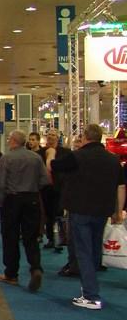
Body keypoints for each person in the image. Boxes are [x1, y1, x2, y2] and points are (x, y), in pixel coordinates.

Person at [51, 124, 125, 310]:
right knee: (94, 251)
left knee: (83, 251)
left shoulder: (77, 156)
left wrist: (51, 154)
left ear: (85, 137)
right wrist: (117, 211)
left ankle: (91, 295)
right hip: (102, 211)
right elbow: (120, 186)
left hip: (80, 210)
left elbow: (54, 167)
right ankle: (91, 289)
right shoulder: (113, 159)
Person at [0, 129, 50, 292]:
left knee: (10, 237)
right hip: (32, 199)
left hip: (12, 200)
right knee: (31, 237)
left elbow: (1, 183)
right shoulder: (36, 158)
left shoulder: (7, 158)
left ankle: (11, 274)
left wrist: (1, 202)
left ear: (13, 141)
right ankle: (36, 268)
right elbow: (45, 180)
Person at [42, 129, 70, 249]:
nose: (50, 137)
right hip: (45, 188)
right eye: (49, 135)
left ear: (57, 138)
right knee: (48, 215)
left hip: (61, 188)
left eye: (53, 135)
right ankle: (51, 239)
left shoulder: (66, 152)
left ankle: (62, 238)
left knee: (60, 214)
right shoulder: (41, 152)